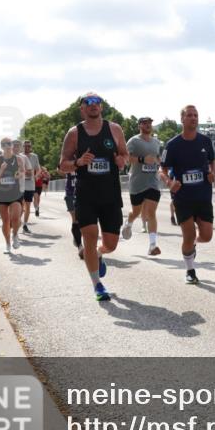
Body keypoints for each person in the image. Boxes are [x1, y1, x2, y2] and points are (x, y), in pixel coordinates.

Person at [58, 93, 128, 301]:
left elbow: (124, 155)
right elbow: (62, 165)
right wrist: (78, 162)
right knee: (89, 236)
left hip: (110, 195)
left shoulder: (114, 130)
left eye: (97, 102)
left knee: (111, 244)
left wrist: (121, 161)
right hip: (86, 194)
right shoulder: (74, 133)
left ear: (101, 107)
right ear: (82, 109)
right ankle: (97, 284)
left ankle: (99, 253)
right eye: (88, 103)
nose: (93, 105)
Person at [159, 105, 215, 285]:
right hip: (183, 197)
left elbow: (212, 161)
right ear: (182, 119)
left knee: (207, 236)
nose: (193, 118)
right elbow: (162, 170)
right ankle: (190, 270)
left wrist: (213, 173)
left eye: (196, 115)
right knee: (188, 235)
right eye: (190, 115)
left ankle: (191, 247)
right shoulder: (173, 144)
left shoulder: (205, 141)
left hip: (203, 195)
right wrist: (169, 182)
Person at [123, 116, 164, 256]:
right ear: (139, 125)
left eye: (150, 123)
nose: (148, 125)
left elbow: (158, 158)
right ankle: (128, 223)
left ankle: (152, 246)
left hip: (152, 182)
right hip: (137, 182)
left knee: (151, 213)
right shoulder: (134, 141)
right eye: (145, 123)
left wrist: (160, 165)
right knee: (136, 212)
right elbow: (126, 158)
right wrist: (142, 159)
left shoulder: (156, 142)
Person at [0, 138, 25, 255]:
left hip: (15, 193)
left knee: (15, 218)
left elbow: (22, 172)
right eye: (4, 144)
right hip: (1, 194)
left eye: (9, 144)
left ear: (12, 145)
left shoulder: (18, 159)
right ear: (1, 147)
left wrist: (19, 174)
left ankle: (15, 235)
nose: (7, 146)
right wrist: (1, 169)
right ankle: (7, 244)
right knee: (5, 221)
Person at [19, 140, 40, 232]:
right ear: (22, 147)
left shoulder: (34, 157)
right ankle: (16, 222)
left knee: (27, 206)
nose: (27, 147)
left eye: (28, 146)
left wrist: (36, 176)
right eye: (25, 146)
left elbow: (38, 169)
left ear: (30, 147)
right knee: (20, 206)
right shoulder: (18, 156)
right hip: (20, 185)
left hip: (30, 185)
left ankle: (25, 225)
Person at [64, 171, 83, 259]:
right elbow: (59, 169)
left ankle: (77, 236)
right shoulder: (68, 157)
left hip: (84, 191)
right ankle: (80, 246)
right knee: (75, 219)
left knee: (83, 220)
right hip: (70, 192)